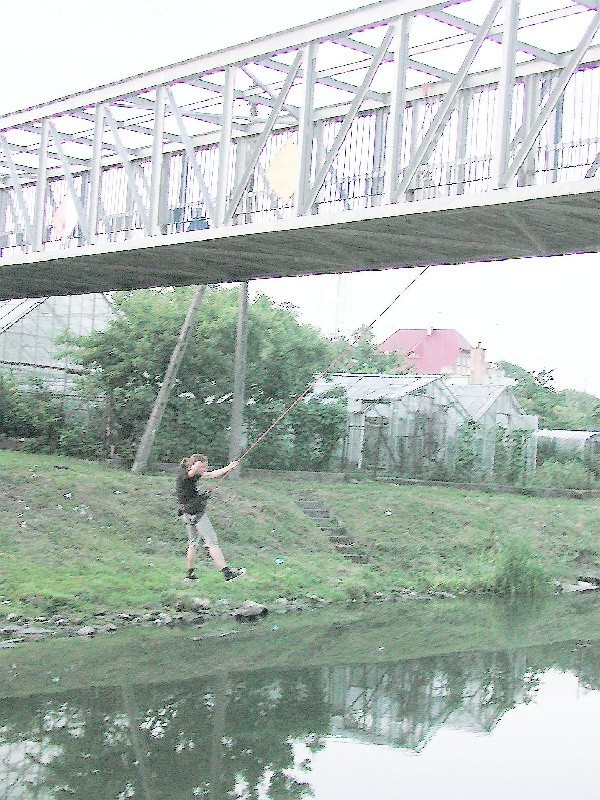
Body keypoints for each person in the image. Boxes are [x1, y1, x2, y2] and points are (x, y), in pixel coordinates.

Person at [176, 453, 244, 582]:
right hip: (195, 513)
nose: (204, 469)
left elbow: (211, 474)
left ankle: (190, 574)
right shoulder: (186, 474)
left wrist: (229, 467)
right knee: (212, 542)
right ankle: (227, 573)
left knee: (193, 544)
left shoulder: (193, 474)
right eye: (202, 466)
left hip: (187, 513)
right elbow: (192, 472)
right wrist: (197, 465)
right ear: (195, 465)